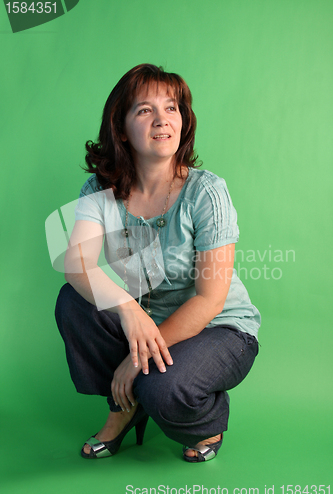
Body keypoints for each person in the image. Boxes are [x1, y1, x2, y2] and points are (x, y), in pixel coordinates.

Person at [55, 63, 261, 463]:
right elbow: (76, 263)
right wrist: (128, 309)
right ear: (121, 126)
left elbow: (210, 300)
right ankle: (124, 409)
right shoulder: (100, 189)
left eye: (172, 108)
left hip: (218, 329)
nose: (162, 119)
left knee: (162, 389)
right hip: (145, 318)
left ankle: (207, 419)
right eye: (144, 110)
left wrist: (136, 362)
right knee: (75, 302)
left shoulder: (207, 192)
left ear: (183, 120)